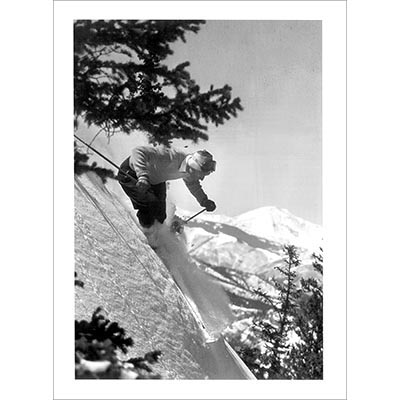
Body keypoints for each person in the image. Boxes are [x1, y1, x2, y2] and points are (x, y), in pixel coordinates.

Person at [117, 146, 217, 230]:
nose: (202, 178)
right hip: (131, 174)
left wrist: (204, 200)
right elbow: (138, 152)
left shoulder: (189, 171)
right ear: (194, 167)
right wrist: (142, 175)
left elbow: (193, 185)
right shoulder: (169, 156)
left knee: (160, 214)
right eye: (201, 174)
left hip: (155, 179)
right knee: (149, 206)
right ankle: (148, 236)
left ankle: (159, 235)